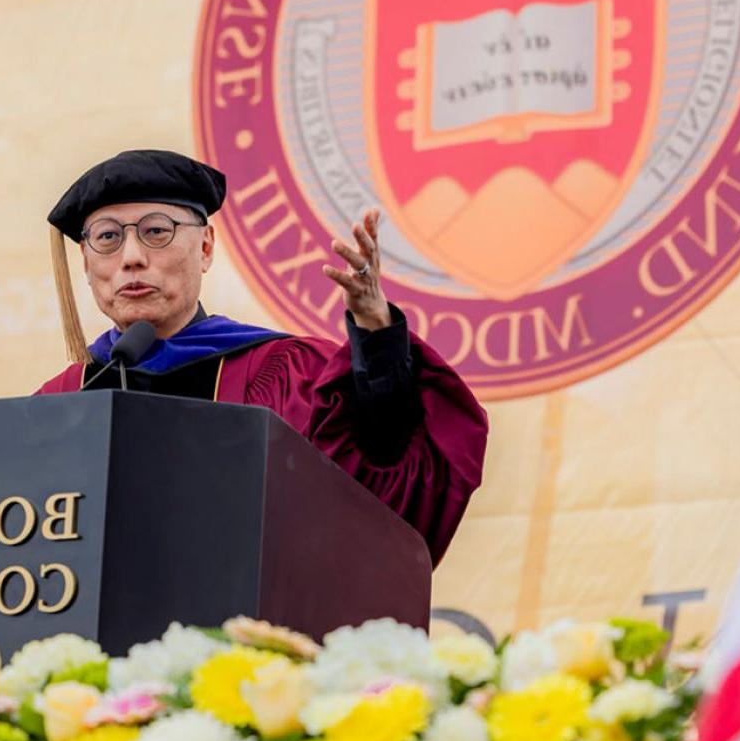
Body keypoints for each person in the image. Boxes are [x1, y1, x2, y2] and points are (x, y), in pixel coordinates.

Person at [35, 149, 488, 565]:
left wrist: (375, 333)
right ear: (86, 263)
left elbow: (382, 475)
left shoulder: (290, 373)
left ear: (206, 247)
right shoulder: (57, 404)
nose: (131, 258)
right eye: (108, 237)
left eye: (156, 231)